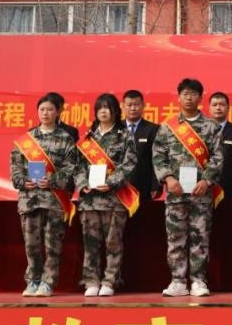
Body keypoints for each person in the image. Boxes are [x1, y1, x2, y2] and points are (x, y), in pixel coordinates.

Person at [152, 78, 223, 297]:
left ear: (200, 97)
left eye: (193, 93)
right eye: (185, 93)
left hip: (201, 193)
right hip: (176, 193)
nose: (189, 97)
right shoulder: (167, 127)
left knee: (200, 237)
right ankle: (178, 281)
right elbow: (158, 156)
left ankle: (199, 281)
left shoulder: (211, 126)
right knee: (175, 238)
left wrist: (206, 180)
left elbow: (218, 157)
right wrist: (168, 178)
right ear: (179, 97)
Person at [10, 93, 80, 297]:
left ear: (58, 112)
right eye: (42, 109)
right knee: (31, 244)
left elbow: (71, 169)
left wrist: (52, 180)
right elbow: (15, 168)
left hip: (54, 200)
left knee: (52, 244)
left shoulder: (66, 139)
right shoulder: (27, 139)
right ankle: (33, 280)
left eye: (50, 109)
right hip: (30, 200)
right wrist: (23, 181)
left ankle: (48, 282)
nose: (45, 113)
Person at [75, 93, 138, 297]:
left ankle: (110, 280)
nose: (103, 111)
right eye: (100, 108)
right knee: (91, 243)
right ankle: (91, 281)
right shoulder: (88, 138)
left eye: (107, 108)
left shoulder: (124, 135)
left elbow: (129, 164)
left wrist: (110, 182)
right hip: (90, 200)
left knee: (113, 242)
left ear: (115, 111)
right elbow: (78, 166)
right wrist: (83, 185)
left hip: (114, 199)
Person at [123, 90, 160, 200]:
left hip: (143, 186)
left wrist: (156, 185)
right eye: (129, 105)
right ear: (123, 106)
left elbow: (157, 159)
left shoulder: (153, 129)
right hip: (118, 186)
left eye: (136, 105)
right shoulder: (116, 128)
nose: (133, 108)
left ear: (143, 105)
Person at [210, 92, 232, 201]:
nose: (218, 108)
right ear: (209, 108)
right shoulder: (201, 132)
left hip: (229, 187)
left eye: (222, 104)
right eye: (214, 105)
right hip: (204, 187)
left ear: (228, 108)